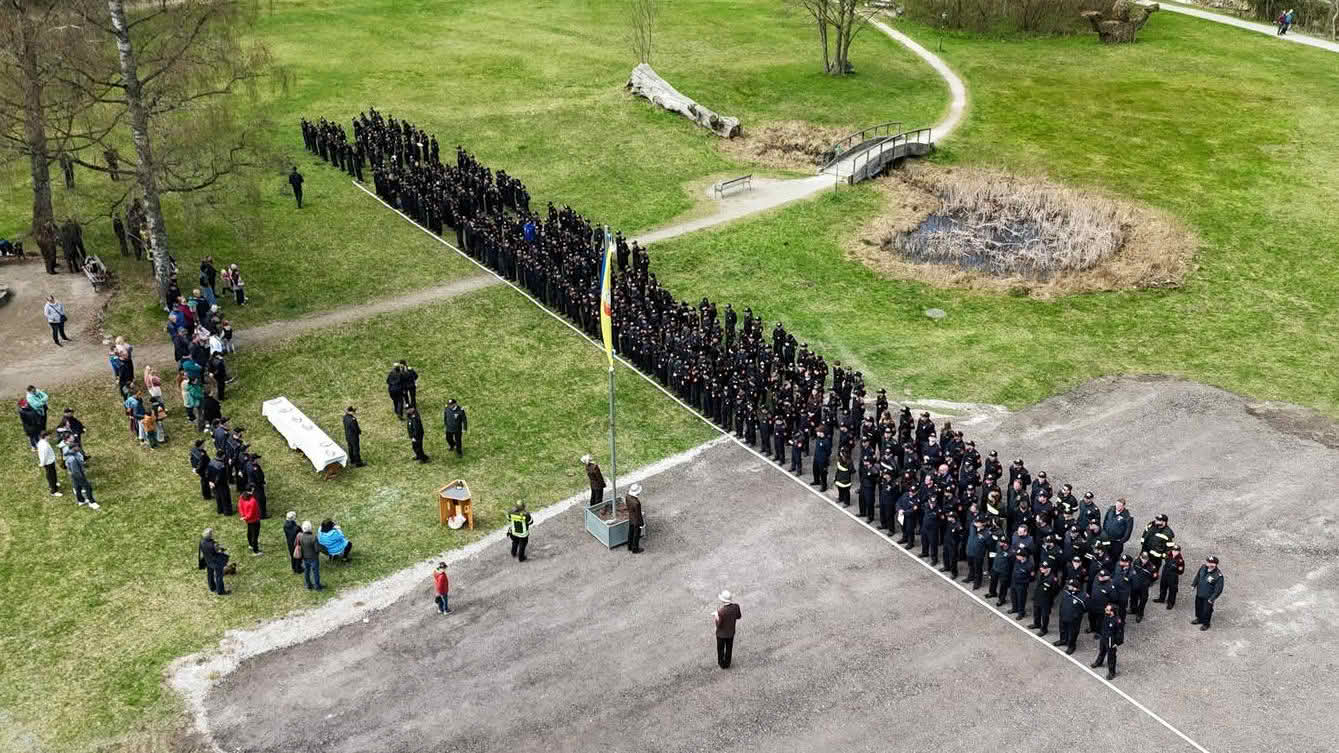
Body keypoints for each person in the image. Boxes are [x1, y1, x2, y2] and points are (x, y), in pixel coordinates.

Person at [62, 438, 99, 510]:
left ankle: (81, 500)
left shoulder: (73, 454)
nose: (78, 447)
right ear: (73, 448)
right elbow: (75, 470)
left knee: (77, 487)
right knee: (88, 487)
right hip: (78, 474)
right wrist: (81, 477)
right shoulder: (72, 459)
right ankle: (92, 502)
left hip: (74, 475)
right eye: (77, 447)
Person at [1054, 579, 1089, 655]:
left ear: (1075, 588)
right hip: (1063, 616)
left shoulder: (1083, 596)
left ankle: (1071, 646)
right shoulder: (1066, 592)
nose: (1068, 586)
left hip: (1074, 620)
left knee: (1072, 633)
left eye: (1070, 586)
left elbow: (1086, 608)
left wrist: (1076, 615)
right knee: (1062, 629)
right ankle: (1063, 640)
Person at [1190, 555, 1224, 630]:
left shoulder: (1218, 575)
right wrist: (1193, 585)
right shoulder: (1203, 567)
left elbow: (1218, 589)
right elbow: (1197, 576)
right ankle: (1199, 619)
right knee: (1198, 607)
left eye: (1211, 563)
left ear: (1215, 564)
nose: (1209, 564)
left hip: (1208, 597)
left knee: (1207, 611)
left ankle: (1206, 623)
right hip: (1199, 593)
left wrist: (1212, 598)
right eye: (1208, 562)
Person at [1091, 602, 1124, 680]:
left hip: (1111, 640)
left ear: (1112, 612)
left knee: (1111, 656)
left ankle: (1112, 672)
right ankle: (1099, 662)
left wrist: (1117, 643)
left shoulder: (1117, 621)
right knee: (1102, 650)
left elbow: (1120, 633)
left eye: (1107, 610)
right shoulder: (1106, 616)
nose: (1105, 610)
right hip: (1104, 637)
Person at [713, 590, 742, 669]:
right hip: (731, 632)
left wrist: (716, 616)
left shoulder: (721, 612)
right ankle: (727, 663)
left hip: (721, 634)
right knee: (729, 648)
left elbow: (718, 624)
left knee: (721, 648)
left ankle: (722, 663)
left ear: (723, 600)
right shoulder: (736, 606)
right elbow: (738, 616)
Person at [199, 528, 230, 596]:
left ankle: (212, 587)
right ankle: (220, 591)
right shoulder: (213, 544)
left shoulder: (201, 541)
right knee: (219, 576)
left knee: (210, 574)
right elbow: (218, 551)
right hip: (216, 562)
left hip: (207, 561)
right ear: (210, 535)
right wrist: (223, 550)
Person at [1154, 542, 1185, 609]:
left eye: (1176, 551)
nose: (1174, 552)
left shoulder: (1180, 560)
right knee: (1163, 586)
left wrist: (1174, 573)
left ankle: (1171, 603)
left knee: (1172, 590)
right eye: (1173, 550)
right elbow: (1163, 557)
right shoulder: (1168, 554)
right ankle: (1161, 599)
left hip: (1172, 576)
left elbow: (1181, 571)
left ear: (1179, 552)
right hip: (1165, 573)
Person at [298, 520, 322, 590]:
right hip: (313, 558)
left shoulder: (300, 536)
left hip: (305, 557)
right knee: (315, 572)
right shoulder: (313, 537)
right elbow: (317, 549)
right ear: (310, 528)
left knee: (306, 572)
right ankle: (317, 586)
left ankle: (308, 585)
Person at [36, 430, 62, 496]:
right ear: (45, 436)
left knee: (52, 474)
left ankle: (54, 484)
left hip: (50, 461)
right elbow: (44, 456)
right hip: (48, 463)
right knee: (51, 476)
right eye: (49, 435)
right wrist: (43, 463)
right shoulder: (44, 445)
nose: (50, 437)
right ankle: (54, 491)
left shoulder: (42, 442)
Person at [239, 488, 262, 555]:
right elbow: (251, 513)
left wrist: (243, 516)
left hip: (248, 520)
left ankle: (251, 545)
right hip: (254, 520)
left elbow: (240, 506)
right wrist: (246, 517)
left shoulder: (242, 497)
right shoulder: (253, 501)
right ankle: (256, 550)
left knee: (249, 532)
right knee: (255, 535)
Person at [625, 483, 645, 553]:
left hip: (631, 517)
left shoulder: (627, 496)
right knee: (636, 535)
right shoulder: (637, 503)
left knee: (630, 532)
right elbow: (638, 514)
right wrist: (642, 523)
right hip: (636, 521)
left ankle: (629, 546)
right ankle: (635, 548)